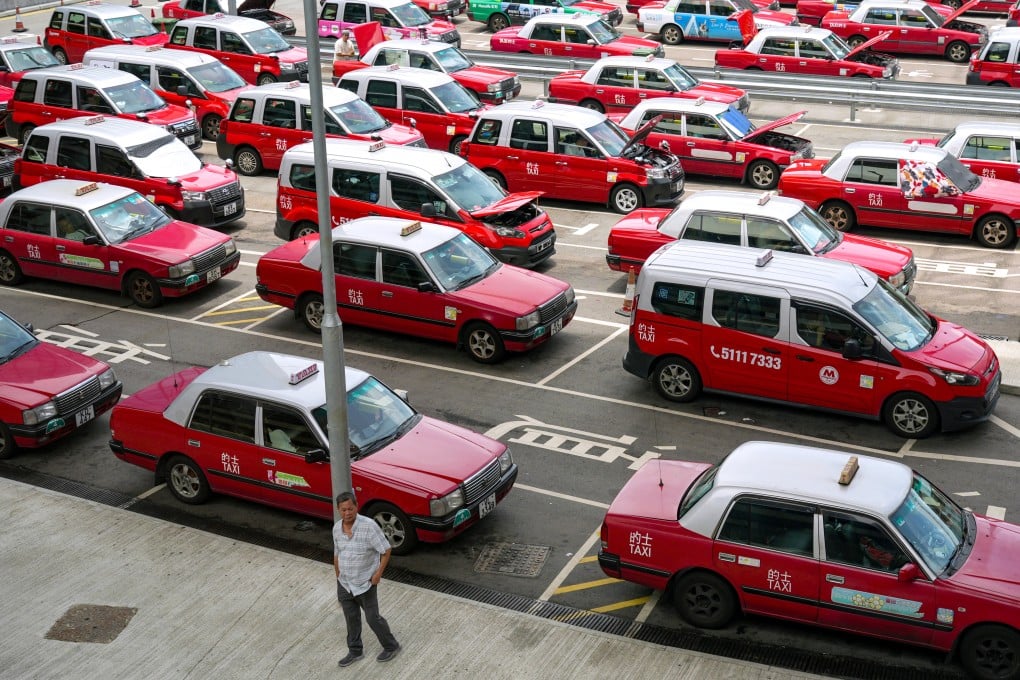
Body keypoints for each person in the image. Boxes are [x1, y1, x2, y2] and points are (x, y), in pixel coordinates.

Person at [333, 491, 400, 667]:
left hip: (366, 583)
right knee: (351, 618)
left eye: (351, 508)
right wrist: (338, 574)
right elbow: (337, 553)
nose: (348, 513)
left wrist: (378, 574)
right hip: (345, 583)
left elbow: (386, 550)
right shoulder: (336, 528)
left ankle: (391, 646)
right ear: (338, 510)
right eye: (344, 510)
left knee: (372, 618)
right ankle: (355, 651)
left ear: (356, 506)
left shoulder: (369, 526)